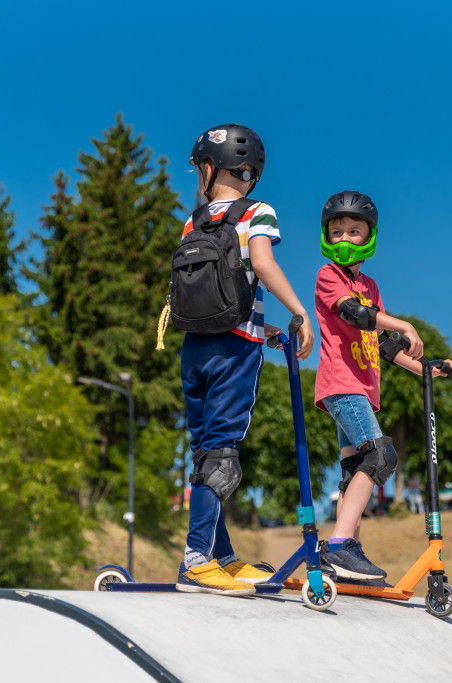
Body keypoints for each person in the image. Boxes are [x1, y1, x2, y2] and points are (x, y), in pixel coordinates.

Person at [175, 124, 313, 596]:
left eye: (198, 168)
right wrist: (298, 312)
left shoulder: (194, 221)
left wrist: (263, 325)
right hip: (234, 352)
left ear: (211, 168)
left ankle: (220, 558)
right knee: (223, 457)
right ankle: (196, 559)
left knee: (205, 454)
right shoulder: (259, 211)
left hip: (193, 348)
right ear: (250, 174)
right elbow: (261, 264)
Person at [313, 190, 452, 584]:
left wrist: (425, 368)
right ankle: (341, 547)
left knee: (354, 470)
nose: (343, 238)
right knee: (381, 457)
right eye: (336, 231)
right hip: (343, 384)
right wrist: (404, 324)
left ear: (369, 236)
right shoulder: (329, 276)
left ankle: (345, 557)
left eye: (353, 232)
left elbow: (382, 344)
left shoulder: (371, 286)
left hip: (358, 390)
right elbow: (356, 315)